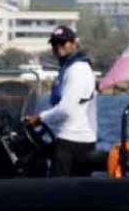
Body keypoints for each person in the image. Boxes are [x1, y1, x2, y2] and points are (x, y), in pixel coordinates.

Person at [30, 24, 99, 177]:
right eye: (54, 43)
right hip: (67, 137)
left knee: (60, 188)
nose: (58, 47)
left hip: (74, 140)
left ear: (74, 44)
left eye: (62, 42)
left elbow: (66, 109)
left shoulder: (77, 69)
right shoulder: (68, 68)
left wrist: (40, 118)